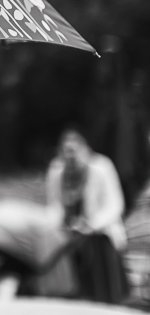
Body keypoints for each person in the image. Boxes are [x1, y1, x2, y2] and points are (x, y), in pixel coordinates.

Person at [47, 127, 130, 304]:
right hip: (70, 240)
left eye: (74, 152)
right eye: (66, 153)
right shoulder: (56, 171)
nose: (70, 157)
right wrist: (59, 226)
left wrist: (91, 225)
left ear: (85, 149)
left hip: (100, 239)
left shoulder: (101, 167)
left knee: (102, 293)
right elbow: (54, 206)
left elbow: (115, 205)